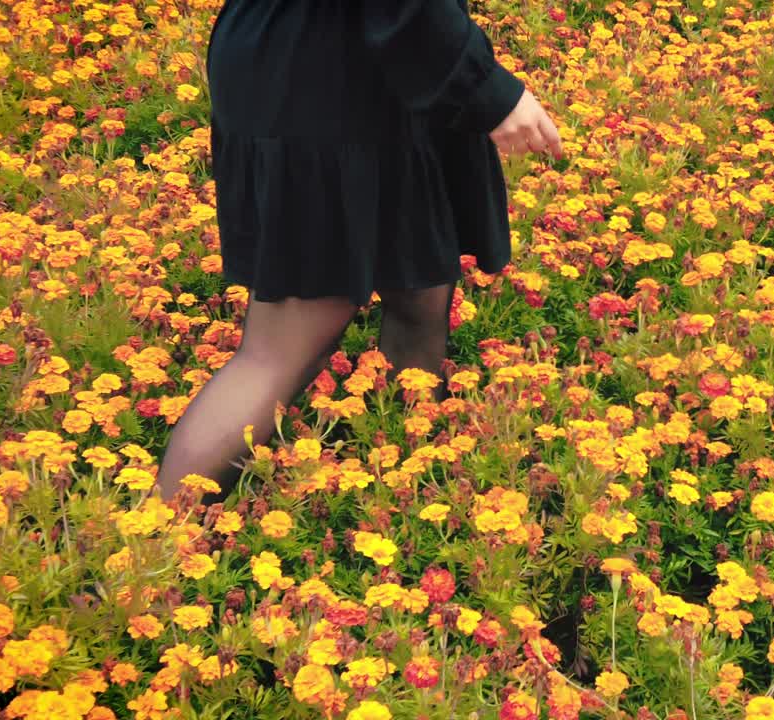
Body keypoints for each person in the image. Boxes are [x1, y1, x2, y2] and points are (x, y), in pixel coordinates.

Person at [154, 0, 563, 504]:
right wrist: (486, 87)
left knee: (419, 292)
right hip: (327, 75)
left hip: (369, 68)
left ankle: (406, 495)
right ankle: (156, 537)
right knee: (278, 351)